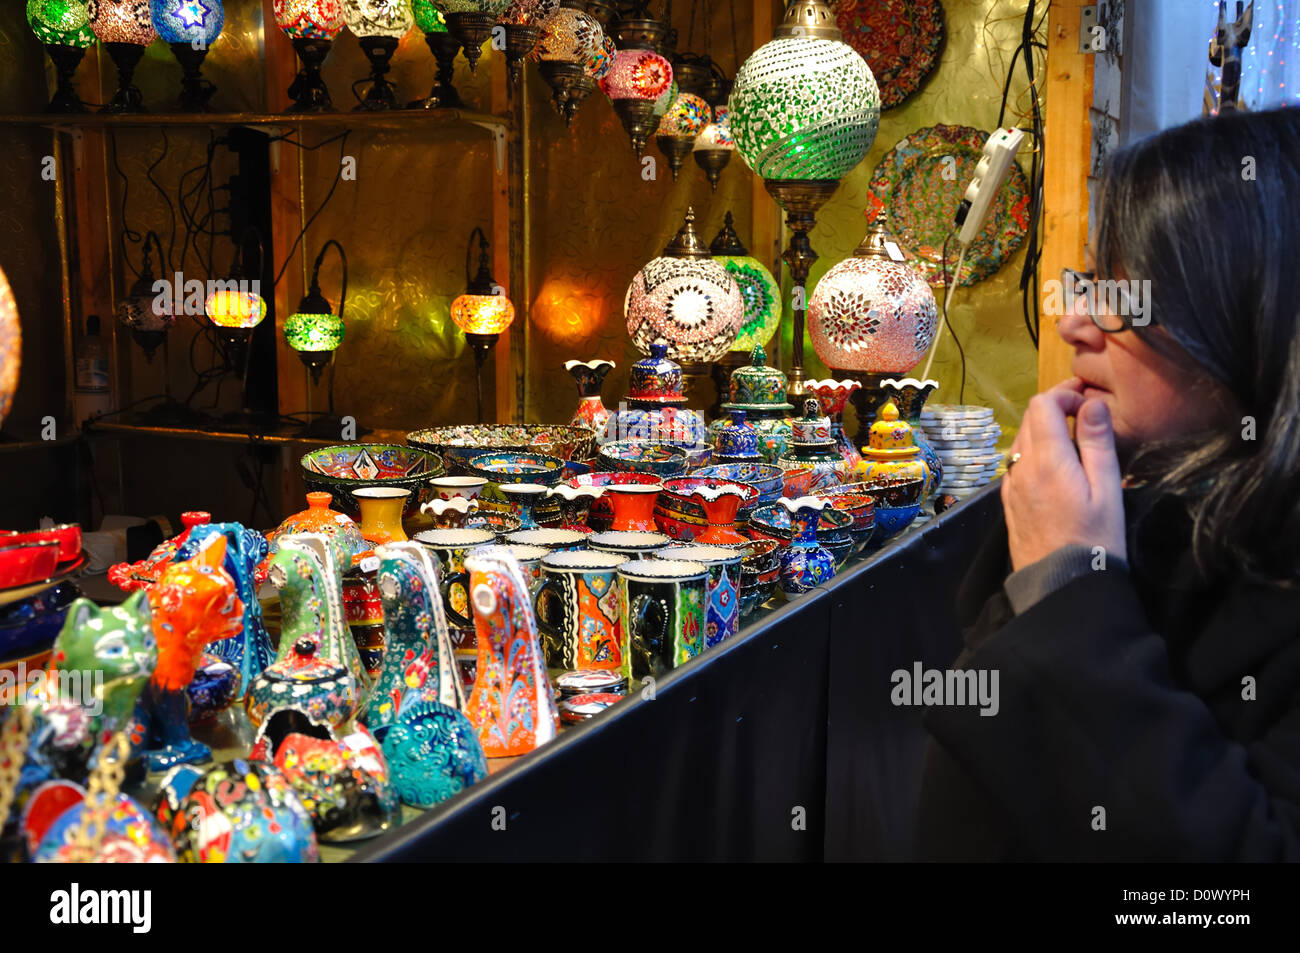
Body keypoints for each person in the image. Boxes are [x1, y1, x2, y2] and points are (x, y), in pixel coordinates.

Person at [916, 106, 1300, 861]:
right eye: (1088, 280)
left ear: (1255, 312)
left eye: (1126, 293)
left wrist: (1068, 586)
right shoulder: (1135, 505)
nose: (1074, 324)